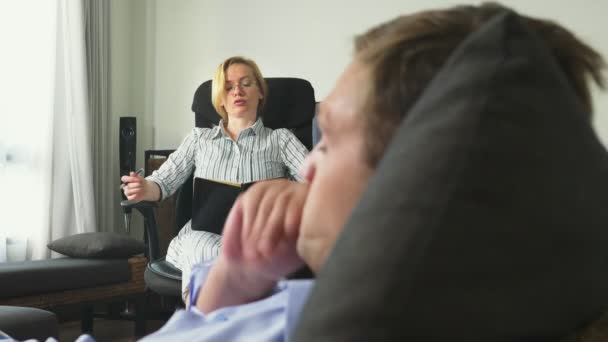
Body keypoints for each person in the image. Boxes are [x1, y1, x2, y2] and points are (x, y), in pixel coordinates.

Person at [135, 3, 605, 341]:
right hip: (215, 258)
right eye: (228, 87)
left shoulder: (307, 316)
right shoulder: (200, 141)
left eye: (331, 137)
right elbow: (168, 180)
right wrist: (230, 284)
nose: (314, 164)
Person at [120, 56, 308, 300]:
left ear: (260, 92)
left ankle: (200, 327)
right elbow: (163, 182)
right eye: (229, 87)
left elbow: (317, 183)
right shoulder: (199, 139)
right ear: (220, 98)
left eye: (246, 84)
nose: (237, 91)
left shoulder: (280, 139)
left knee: (233, 260)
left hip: (257, 241)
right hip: (200, 240)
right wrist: (145, 187)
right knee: (205, 249)